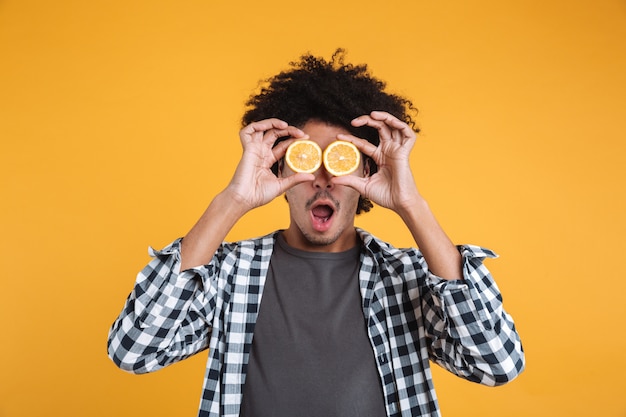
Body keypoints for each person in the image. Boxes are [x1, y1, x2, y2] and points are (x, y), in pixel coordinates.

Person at [107, 49, 525, 417]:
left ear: (366, 171)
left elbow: (496, 364)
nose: (323, 176)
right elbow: (135, 350)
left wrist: (411, 204)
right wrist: (232, 200)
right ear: (279, 170)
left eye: (341, 160)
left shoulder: (408, 276)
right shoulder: (229, 274)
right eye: (305, 159)